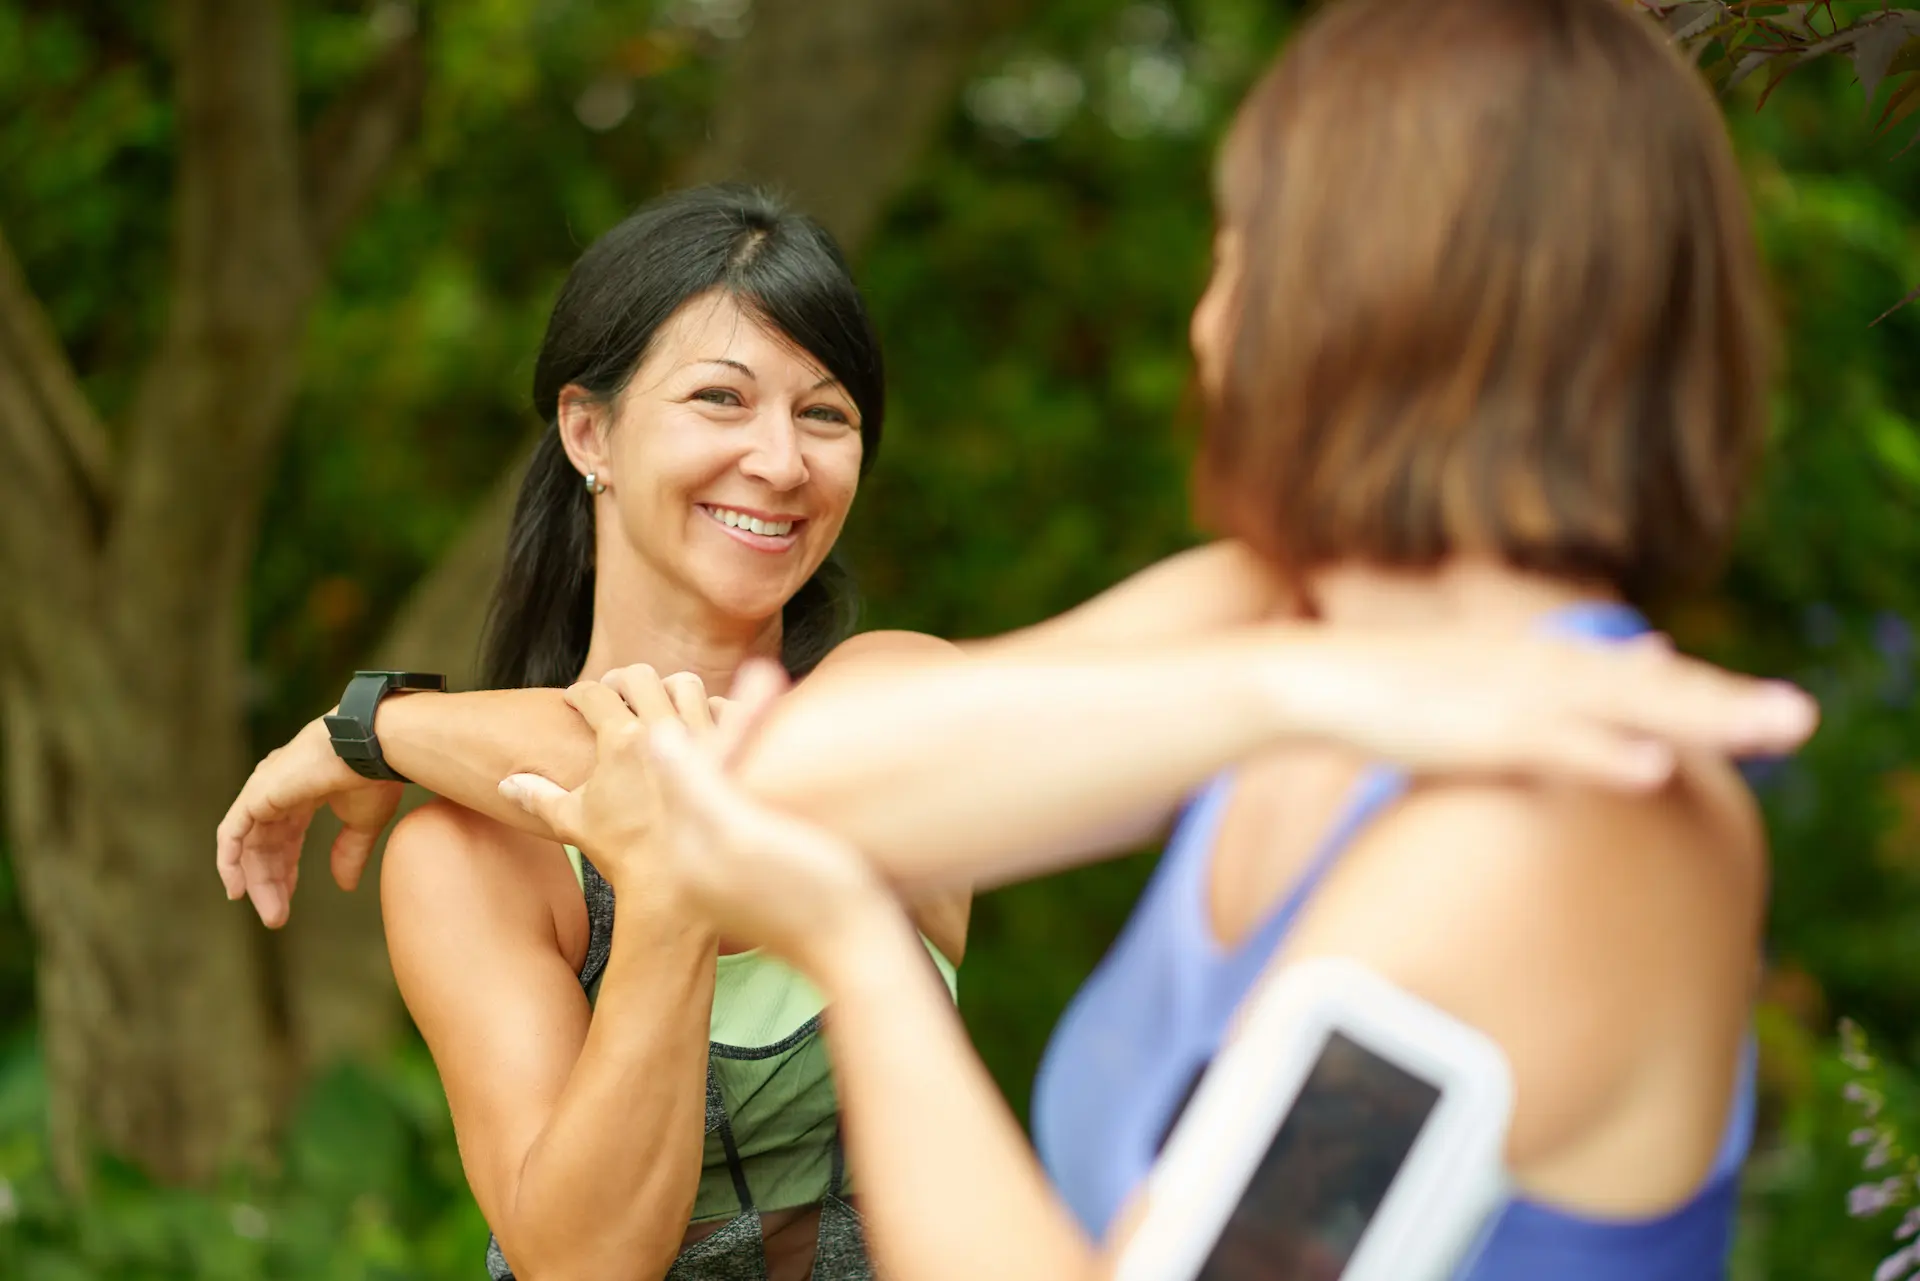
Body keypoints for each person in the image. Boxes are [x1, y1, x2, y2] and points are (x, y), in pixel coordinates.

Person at [218, 2, 1814, 1273]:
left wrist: (850, 943)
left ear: (1369, 296)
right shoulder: (1265, 618)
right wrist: (1294, 684)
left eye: (1244, 238)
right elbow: (772, 772)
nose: (1207, 301)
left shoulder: (1554, 826)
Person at [341, 184, 971, 1281]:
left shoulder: (901, 698)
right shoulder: (472, 857)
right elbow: (583, 1263)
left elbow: (741, 768)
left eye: (825, 415)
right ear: (590, 431)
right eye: (721, 399)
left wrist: (375, 726)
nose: (780, 461)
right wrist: (385, 728)